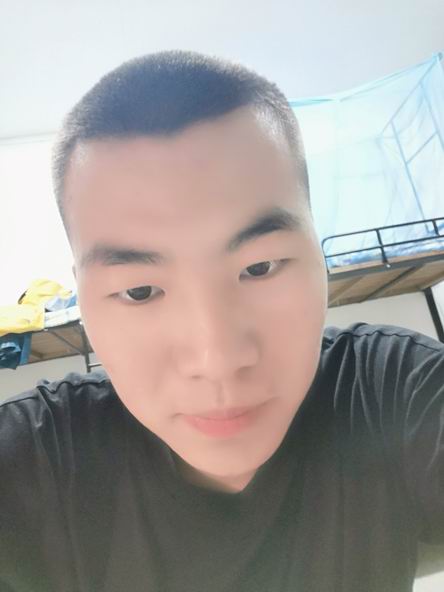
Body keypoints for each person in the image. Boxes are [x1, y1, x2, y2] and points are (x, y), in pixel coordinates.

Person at [0, 50, 443, 592]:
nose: (217, 360)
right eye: (139, 291)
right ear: (83, 298)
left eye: (259, 267)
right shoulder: (31, 464)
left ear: (319, 253)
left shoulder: (394, 392)